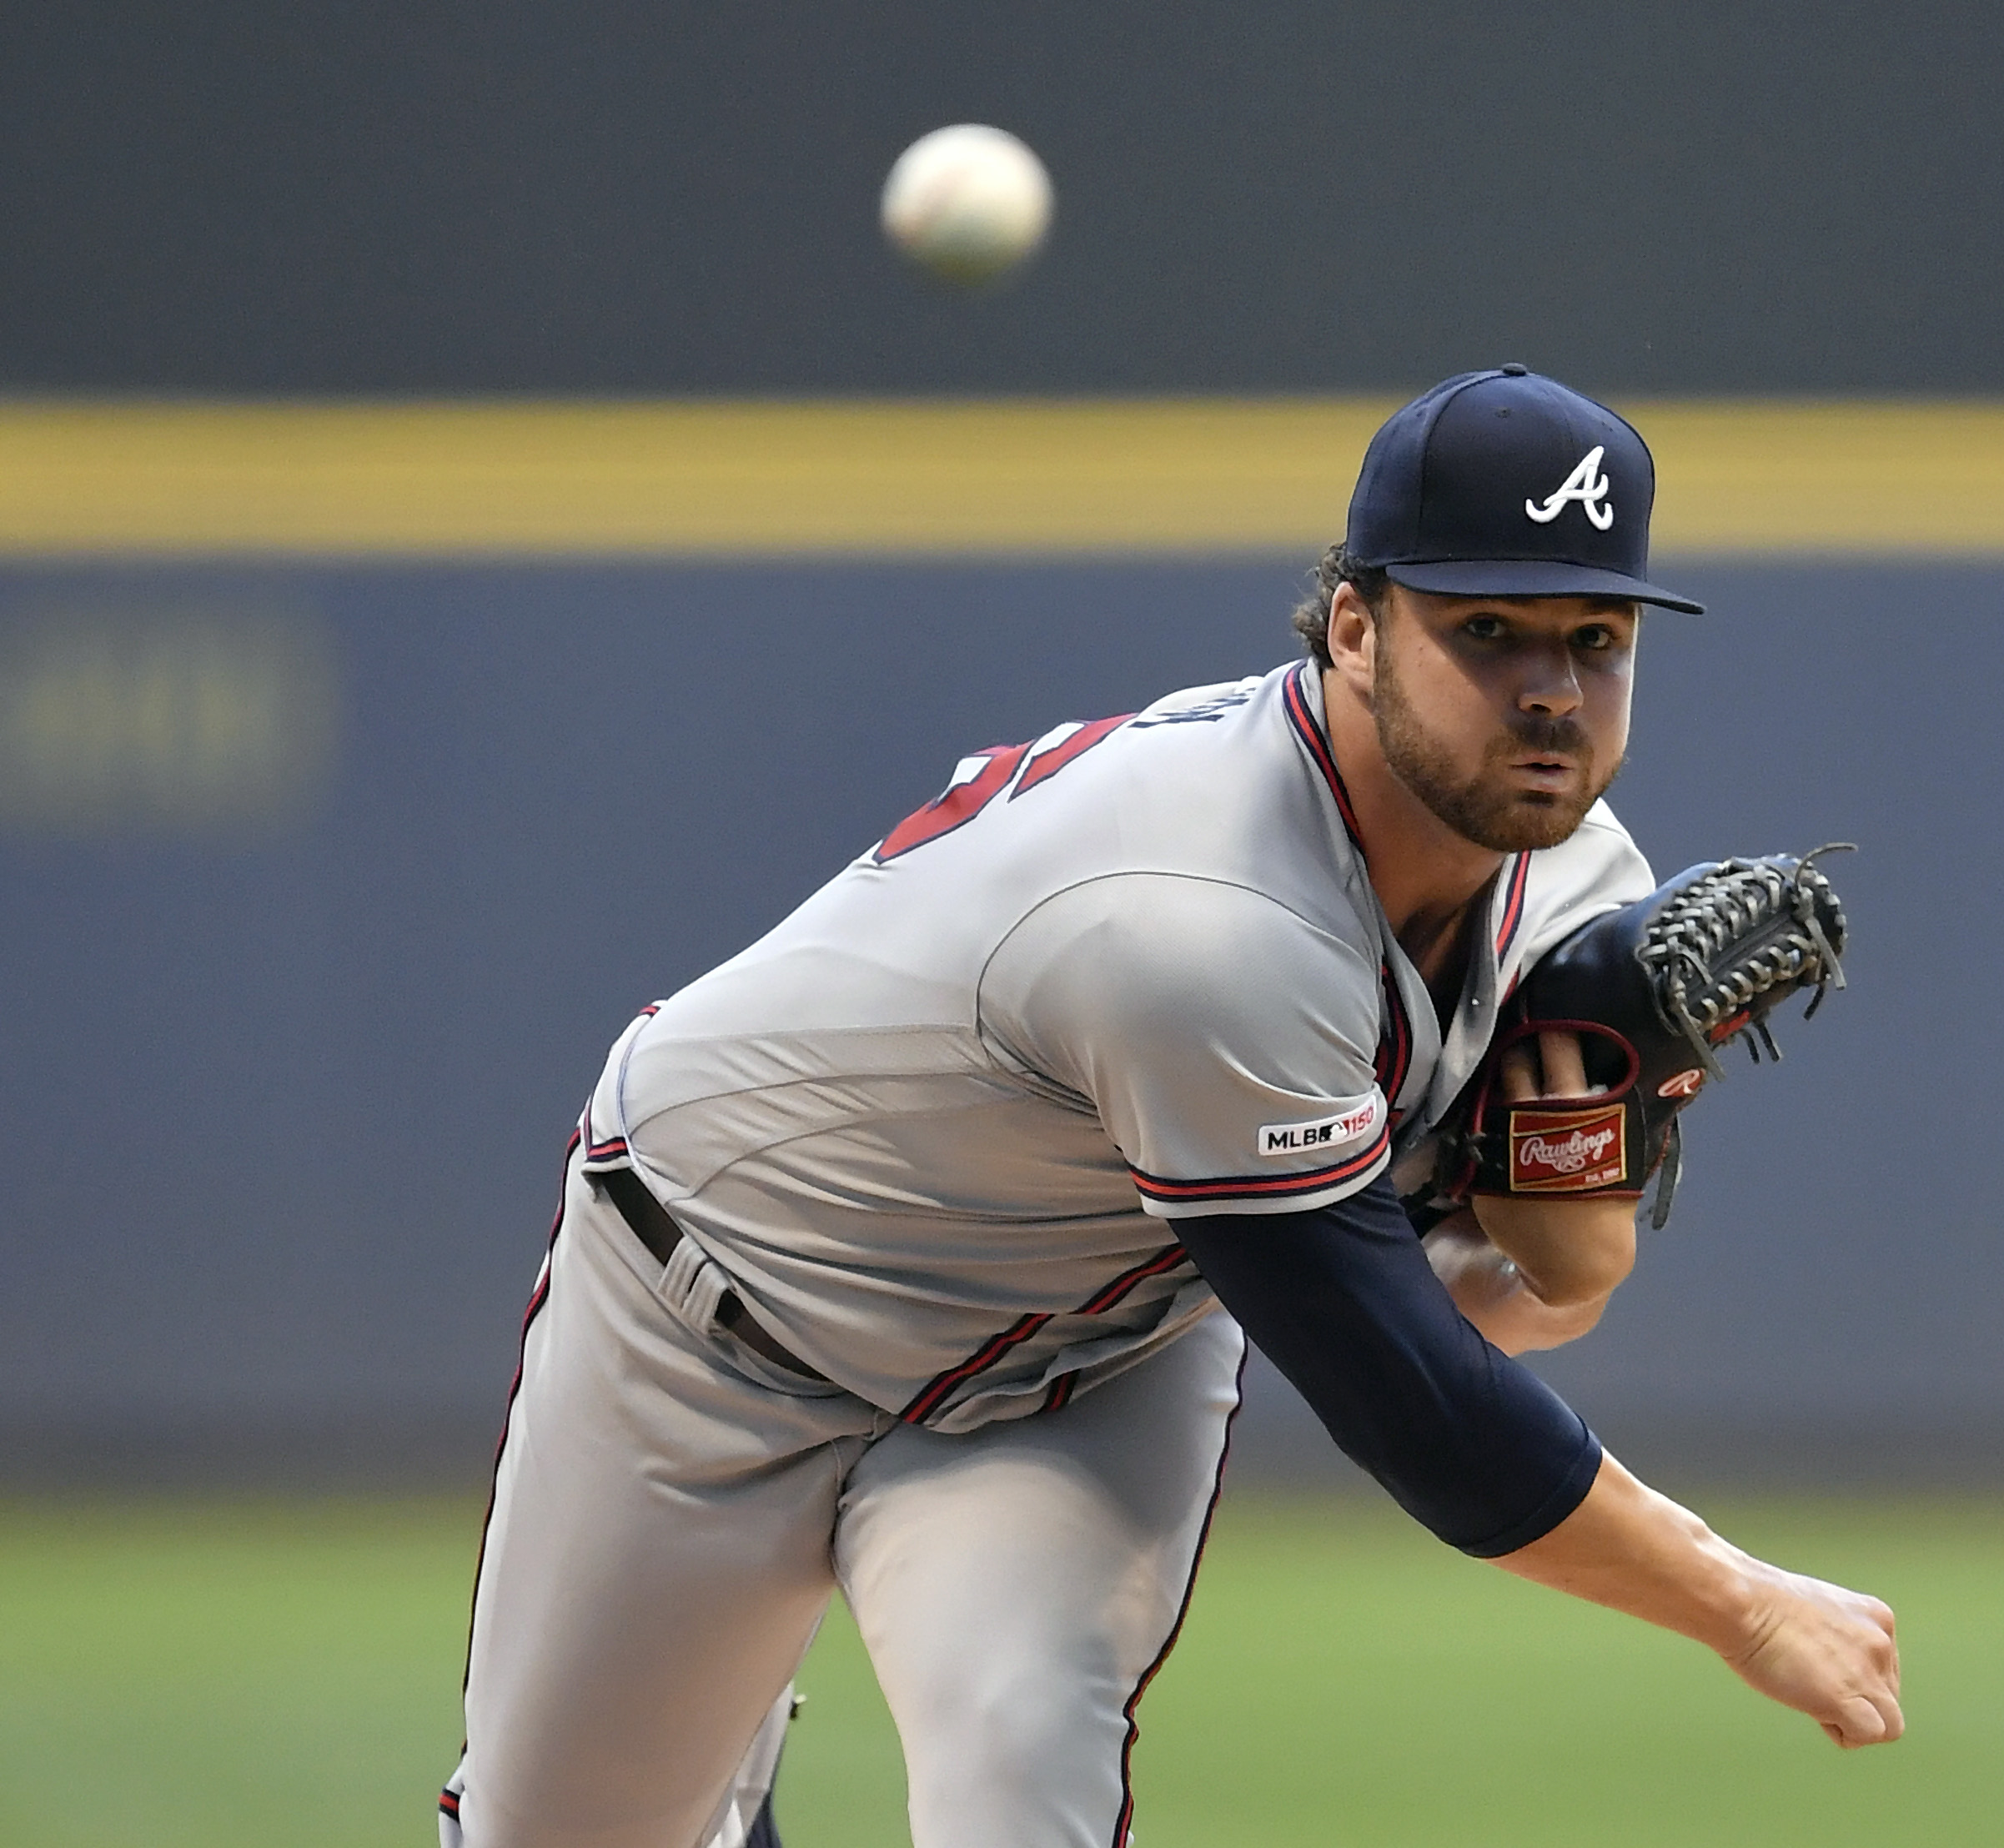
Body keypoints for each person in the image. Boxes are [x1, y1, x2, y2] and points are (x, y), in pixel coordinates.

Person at [439, 365, 1904, 1848]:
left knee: (1026, 1772)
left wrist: (1575, 1226)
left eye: (1596, 639)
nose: (1549, 688)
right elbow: (1424, 1409)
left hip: (1083, 1359)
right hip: (720, 1310)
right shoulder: (1201, 921)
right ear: (1355, 626)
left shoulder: (1579, 881)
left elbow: (1499, 1302)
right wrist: (1745, 1607)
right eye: (1487, 631)